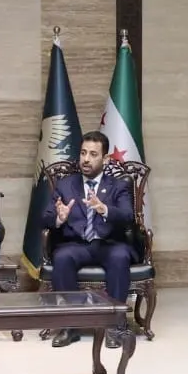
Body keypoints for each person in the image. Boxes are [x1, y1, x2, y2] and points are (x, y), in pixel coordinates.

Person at [44, 131, 137, 349]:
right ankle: (72, 326)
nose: (86, 159)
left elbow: (127, 217)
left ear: (105, 159)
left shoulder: (118, 186)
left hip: (108, 244)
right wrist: (59, 218)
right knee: (62, 257)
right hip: (76, 245)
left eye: (93, 154)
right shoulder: (66, 185)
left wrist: (104, 209)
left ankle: (114, 325)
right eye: (83, 153)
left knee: (120, 257)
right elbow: (44, 217)